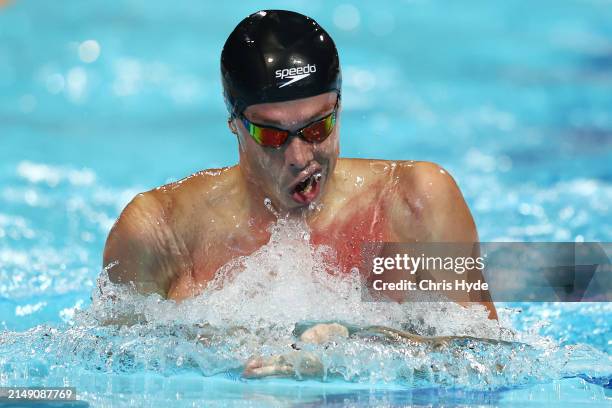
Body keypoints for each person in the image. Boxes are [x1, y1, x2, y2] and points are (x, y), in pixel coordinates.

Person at [102, 10, 498, 376]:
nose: (299, 156)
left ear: (339, 107)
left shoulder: (409, 203)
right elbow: (109, 368)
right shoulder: (161, 232)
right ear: (233, 123)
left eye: (316, 128)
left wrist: (350, 351)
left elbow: (490, 361)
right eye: (272, 134)